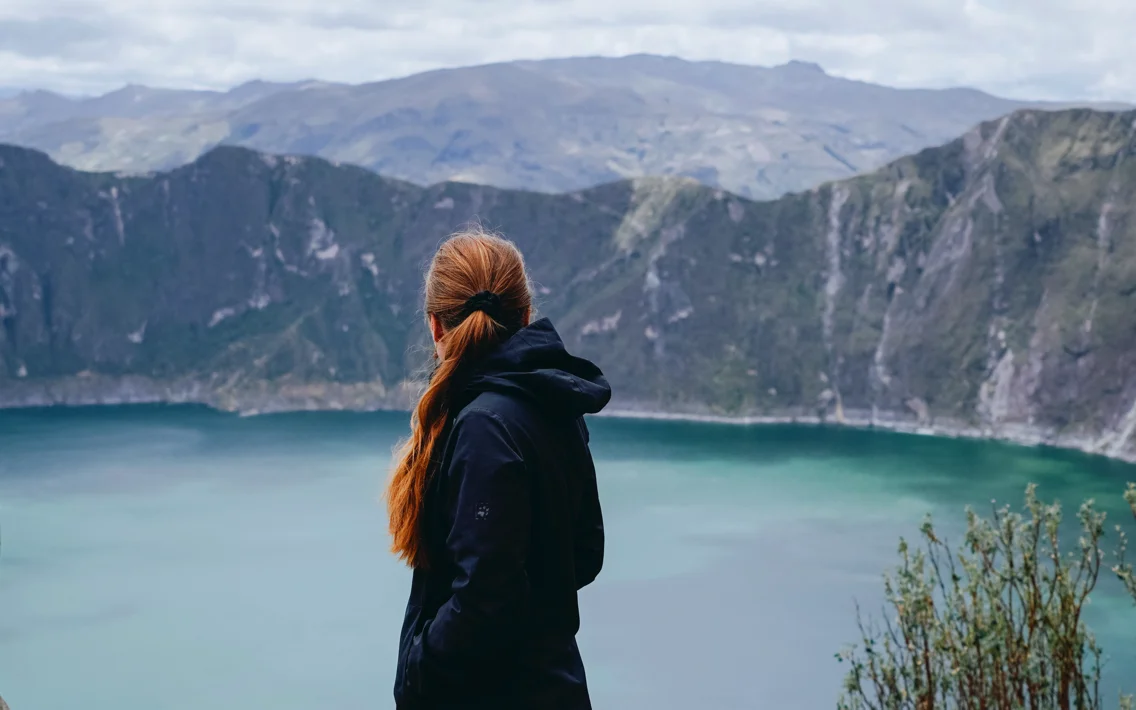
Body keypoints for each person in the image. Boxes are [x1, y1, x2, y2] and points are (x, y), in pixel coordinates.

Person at [386, 229, 611, 709]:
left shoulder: (483, 427)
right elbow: (586, 553)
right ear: (526, 316)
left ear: (434, 326)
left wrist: (420, 669)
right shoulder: (552, 406)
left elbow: (485, 597)